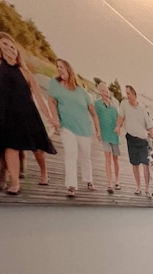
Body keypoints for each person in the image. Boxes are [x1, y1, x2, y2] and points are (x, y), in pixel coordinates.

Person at [0, 32, 57, 195]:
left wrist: (50, 117)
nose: (8, 48)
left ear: (17, 51)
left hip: (29, 114)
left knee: (37, 148)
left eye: (12, 46)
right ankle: (15, 183)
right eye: (4, 44)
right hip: (8, 114)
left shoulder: (26, 73)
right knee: (11, 147)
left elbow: (40, 99)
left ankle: (44, 173)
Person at [47, 58, 101, 197]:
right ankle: (71, 185)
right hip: (67, 127)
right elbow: (51, 101)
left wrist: (98, 130)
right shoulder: (55, 84)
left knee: (86, 157)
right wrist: (55, 118)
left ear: (69, 70)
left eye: (62, 67)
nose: (59, 69)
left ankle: (89, 181)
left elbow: (93, 113)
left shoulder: (82, 92)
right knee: (71, 155)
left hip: (84, 129)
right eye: (57, 67)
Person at [115, 85, 153, 196]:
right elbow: (121, 117)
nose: (127, 96)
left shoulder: (142, 111)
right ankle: (138, 187)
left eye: (129, 94)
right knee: (134, 164)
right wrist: (118, 126)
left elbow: (150, 127)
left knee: (146, 165)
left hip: (143, 141)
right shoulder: (124, 104)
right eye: (126, 93)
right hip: (131, 139)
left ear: (135, 95)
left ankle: (147, 188)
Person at [94, 81, 121, 193]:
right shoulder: (97, 104)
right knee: (107, 159)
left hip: (114, 136)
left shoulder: (114, 106)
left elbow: (119, 120)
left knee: (115, 159)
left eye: (106, 90)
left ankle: (117, 180)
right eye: (103, 91)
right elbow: (95, 118)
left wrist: (118, 127)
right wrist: (98, 131)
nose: (105, 92)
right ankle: (109, 183)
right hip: (105, 135)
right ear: (100, 92)